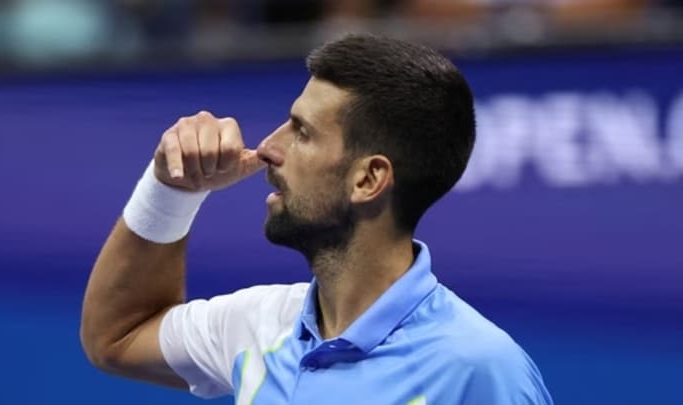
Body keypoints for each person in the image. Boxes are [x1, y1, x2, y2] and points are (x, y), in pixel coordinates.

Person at [81, 34, 553, 404]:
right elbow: (116, 336)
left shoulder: (481, 371)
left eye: (302, 132)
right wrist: (172, 189)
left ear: (368, 179)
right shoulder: (258, 325)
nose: (268, 147)